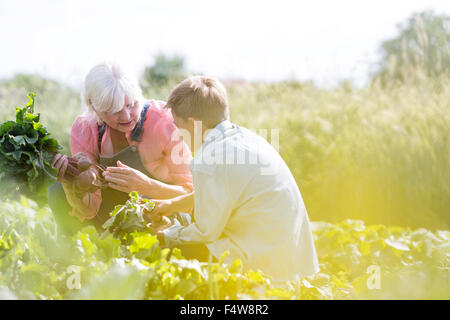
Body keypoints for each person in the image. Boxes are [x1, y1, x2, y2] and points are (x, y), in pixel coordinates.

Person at [149, 76, 319, 281]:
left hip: (262, 261)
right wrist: (173, 204)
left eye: (178, 126)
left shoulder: (209, 158)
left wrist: (163, 237)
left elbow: (205, 233)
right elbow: (224, 192)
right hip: (292, 257)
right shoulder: (248, 138)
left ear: (193, 124)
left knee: (169, 257)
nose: (177, 134)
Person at [48, 62, 193, 235]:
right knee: (57, 191)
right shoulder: (85, 129)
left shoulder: (166, 122)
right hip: (115, 220)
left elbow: (193, 197)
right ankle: (75, 256)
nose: (126, 116)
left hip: (165, 218)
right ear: (94, 107)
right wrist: (72, 186)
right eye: (113, 111)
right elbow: (89, 211)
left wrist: (146, 186)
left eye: (131, 104)